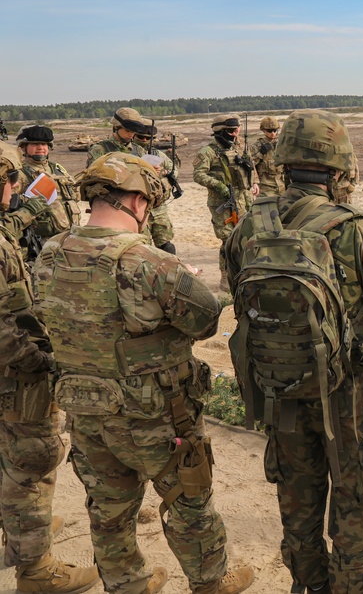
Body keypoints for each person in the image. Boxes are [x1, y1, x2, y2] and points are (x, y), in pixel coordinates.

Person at [224, 109, 363, 594]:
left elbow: (238, 293)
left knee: (298, 509)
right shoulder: (358, 229)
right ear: (338, 169)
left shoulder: (248, 227)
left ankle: (306, 586)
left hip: (282, 393)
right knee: (354, 513)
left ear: (284, 161)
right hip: (350, 401)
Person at [33, 153, 253, 594]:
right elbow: (205, 322)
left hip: (86, 411)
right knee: (190, 499)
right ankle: (212, 582)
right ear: (136, 200)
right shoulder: (150, 263)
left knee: (108, 509)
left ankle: (127, 583)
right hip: (159, 414)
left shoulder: (50, 254)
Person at [0, 143, 99, 594]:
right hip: (16, 377)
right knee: (32, 464)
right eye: (13, 178)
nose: (17, 185)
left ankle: (15, 534)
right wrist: (42, 363)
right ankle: (36, 570)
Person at [192, 115, 259, 290]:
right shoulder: (208, 152)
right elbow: (199, 174)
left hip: (244, 199)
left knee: (246, 237)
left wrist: (255, 183)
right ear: (219, 131)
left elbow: (250, 166)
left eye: (236, 130)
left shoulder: (240, 148)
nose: (235, 134)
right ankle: (225, 276)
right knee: (228, 240)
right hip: (223, 202)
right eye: (231, 131)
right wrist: (219, 186)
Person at [15, 124, 81, 259]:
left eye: (44, 144)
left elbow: (74, 195)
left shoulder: (58, 169)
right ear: (23, 147)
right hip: (42, 243)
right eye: (35, 144)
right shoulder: (20, 174)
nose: (41, 148)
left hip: (70, 238)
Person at [133, 119, 178, 254]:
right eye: (141, 137)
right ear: (134, 135)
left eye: (149, 138)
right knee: (142, 246)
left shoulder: (158, 155)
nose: (145, 140)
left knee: (166, 245)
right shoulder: (129, 154)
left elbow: (173, 171)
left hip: (159, 208)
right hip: (138, 206)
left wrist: (162, 173)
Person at [251, 116, 285, 197]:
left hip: (281, 186)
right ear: (263, 130)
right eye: (269, 131)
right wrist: (261, 153)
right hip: (265, 188)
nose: (273, 133)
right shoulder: (257, 146)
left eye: (275, 130)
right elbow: (250, 164)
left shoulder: (281, 144)